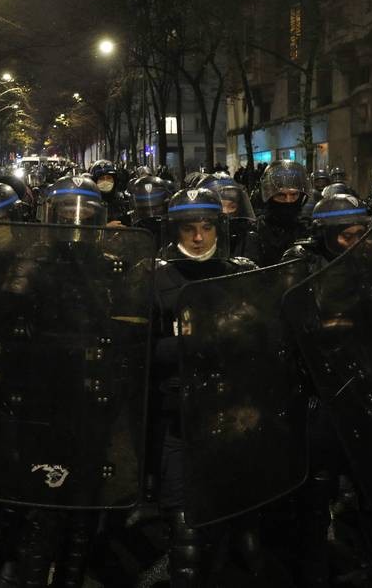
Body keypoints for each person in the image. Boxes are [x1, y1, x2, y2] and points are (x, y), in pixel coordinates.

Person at [151, 188, 256, 586]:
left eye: (207, 227)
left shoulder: (239, 271)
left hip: (230, 407)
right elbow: (141, 349)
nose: (198, 238)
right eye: (189, 228)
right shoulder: (156, 275)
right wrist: (192, 342)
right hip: (177, 410)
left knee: (227, 510)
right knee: (183, 524)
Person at [255, 160, 311, 264]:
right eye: (281, 195)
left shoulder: (306, 229)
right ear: (270, 197)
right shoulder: (257, 230)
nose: (289, 201)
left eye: (294, 195)